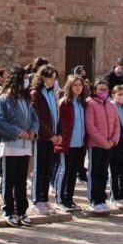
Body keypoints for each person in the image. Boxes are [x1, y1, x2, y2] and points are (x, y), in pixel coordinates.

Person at [0, 67, 39, 227]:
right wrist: (19, 132)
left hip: (25, 145)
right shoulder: (4, 100)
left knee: (21, 180)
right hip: (11, 144)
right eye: (24, 78)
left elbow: (34, 117)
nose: (27, 81)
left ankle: (21, 210)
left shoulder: (26, 100)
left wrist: (33, 130)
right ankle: (8, 209)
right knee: (9, 179)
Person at [29, 64, 61, 214]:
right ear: (42, 77)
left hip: (52, 137)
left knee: (47, 169)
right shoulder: (36, 94)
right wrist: (50, 134)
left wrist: (58, 133)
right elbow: (38, 118)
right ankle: (36, 200)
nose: (52, 81)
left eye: (54, 78)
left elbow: (56, 115)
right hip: (42, 137)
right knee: (39, 168)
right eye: (50, 77)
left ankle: (44, 198)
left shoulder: (52, 93)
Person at [85, 78, 119, 213]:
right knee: (94, 172)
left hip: (109, 145)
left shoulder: (111, 105)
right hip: (96, 145)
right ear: (95, 90)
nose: (103, 91)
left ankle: (101, 198)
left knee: (104, 172)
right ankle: (93, 199)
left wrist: (113, 141)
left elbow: (117, 124)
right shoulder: (90, 104)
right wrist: (103, 142)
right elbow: (90, 126)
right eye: (100, 89)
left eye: (105, 89)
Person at [54, 75, 87, 211]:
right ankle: (60, 199)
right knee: (64, 171)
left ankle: (69, 198)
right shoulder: (64, 102)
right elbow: (59, 121)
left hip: (79, 143)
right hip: (67, 142)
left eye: (80, 85)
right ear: (69, 86)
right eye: (75, 85)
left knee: (73, 172)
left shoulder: (82, 103)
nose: (78, 87)